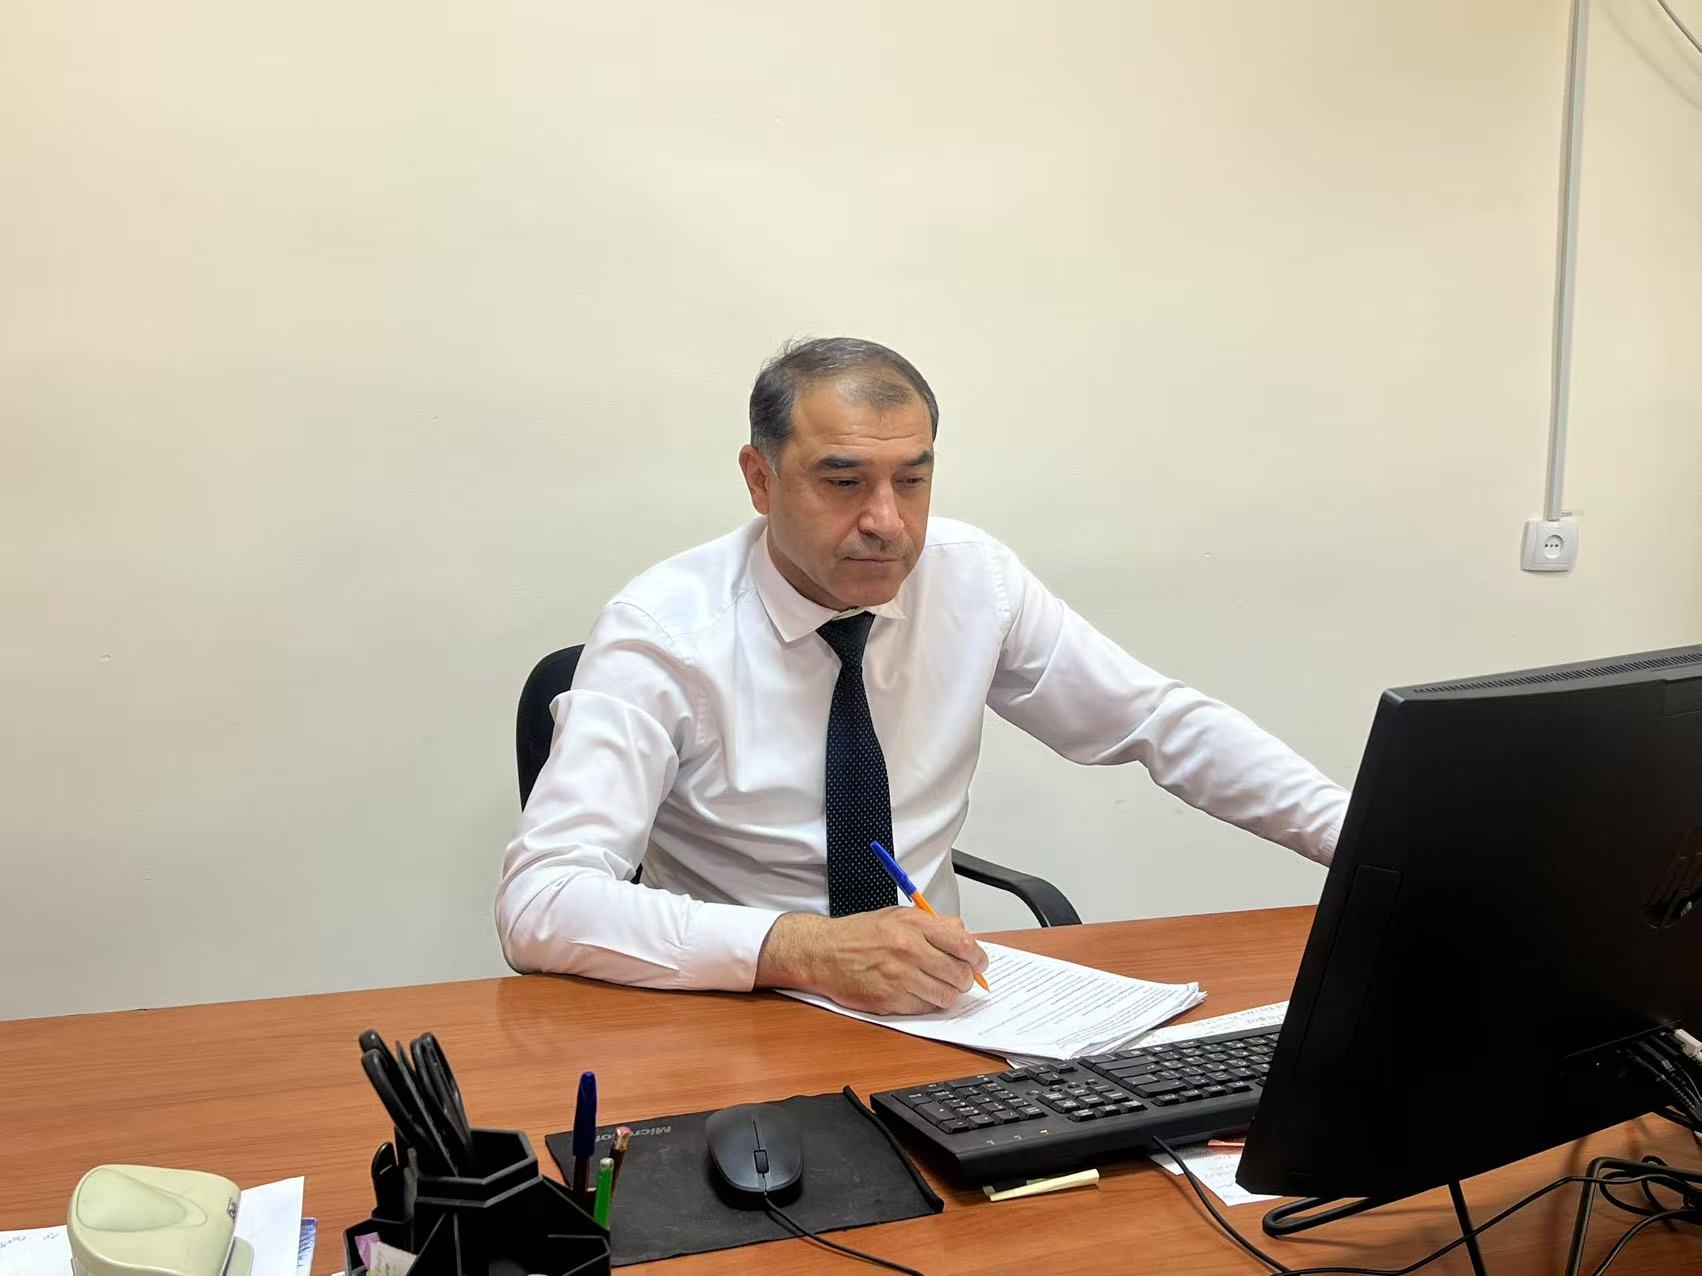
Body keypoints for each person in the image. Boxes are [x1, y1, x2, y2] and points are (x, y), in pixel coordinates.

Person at [497, 338, 1347, 1014]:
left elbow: (1160, 723)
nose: (887, 522)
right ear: (760, 479)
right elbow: (542, 900)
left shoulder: (972, 579)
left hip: (936, 1005)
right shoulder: (663, 631)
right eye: (843, 482)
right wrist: (801, 948)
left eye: (913, 480)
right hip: (745, 1008)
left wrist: (1371, 846)